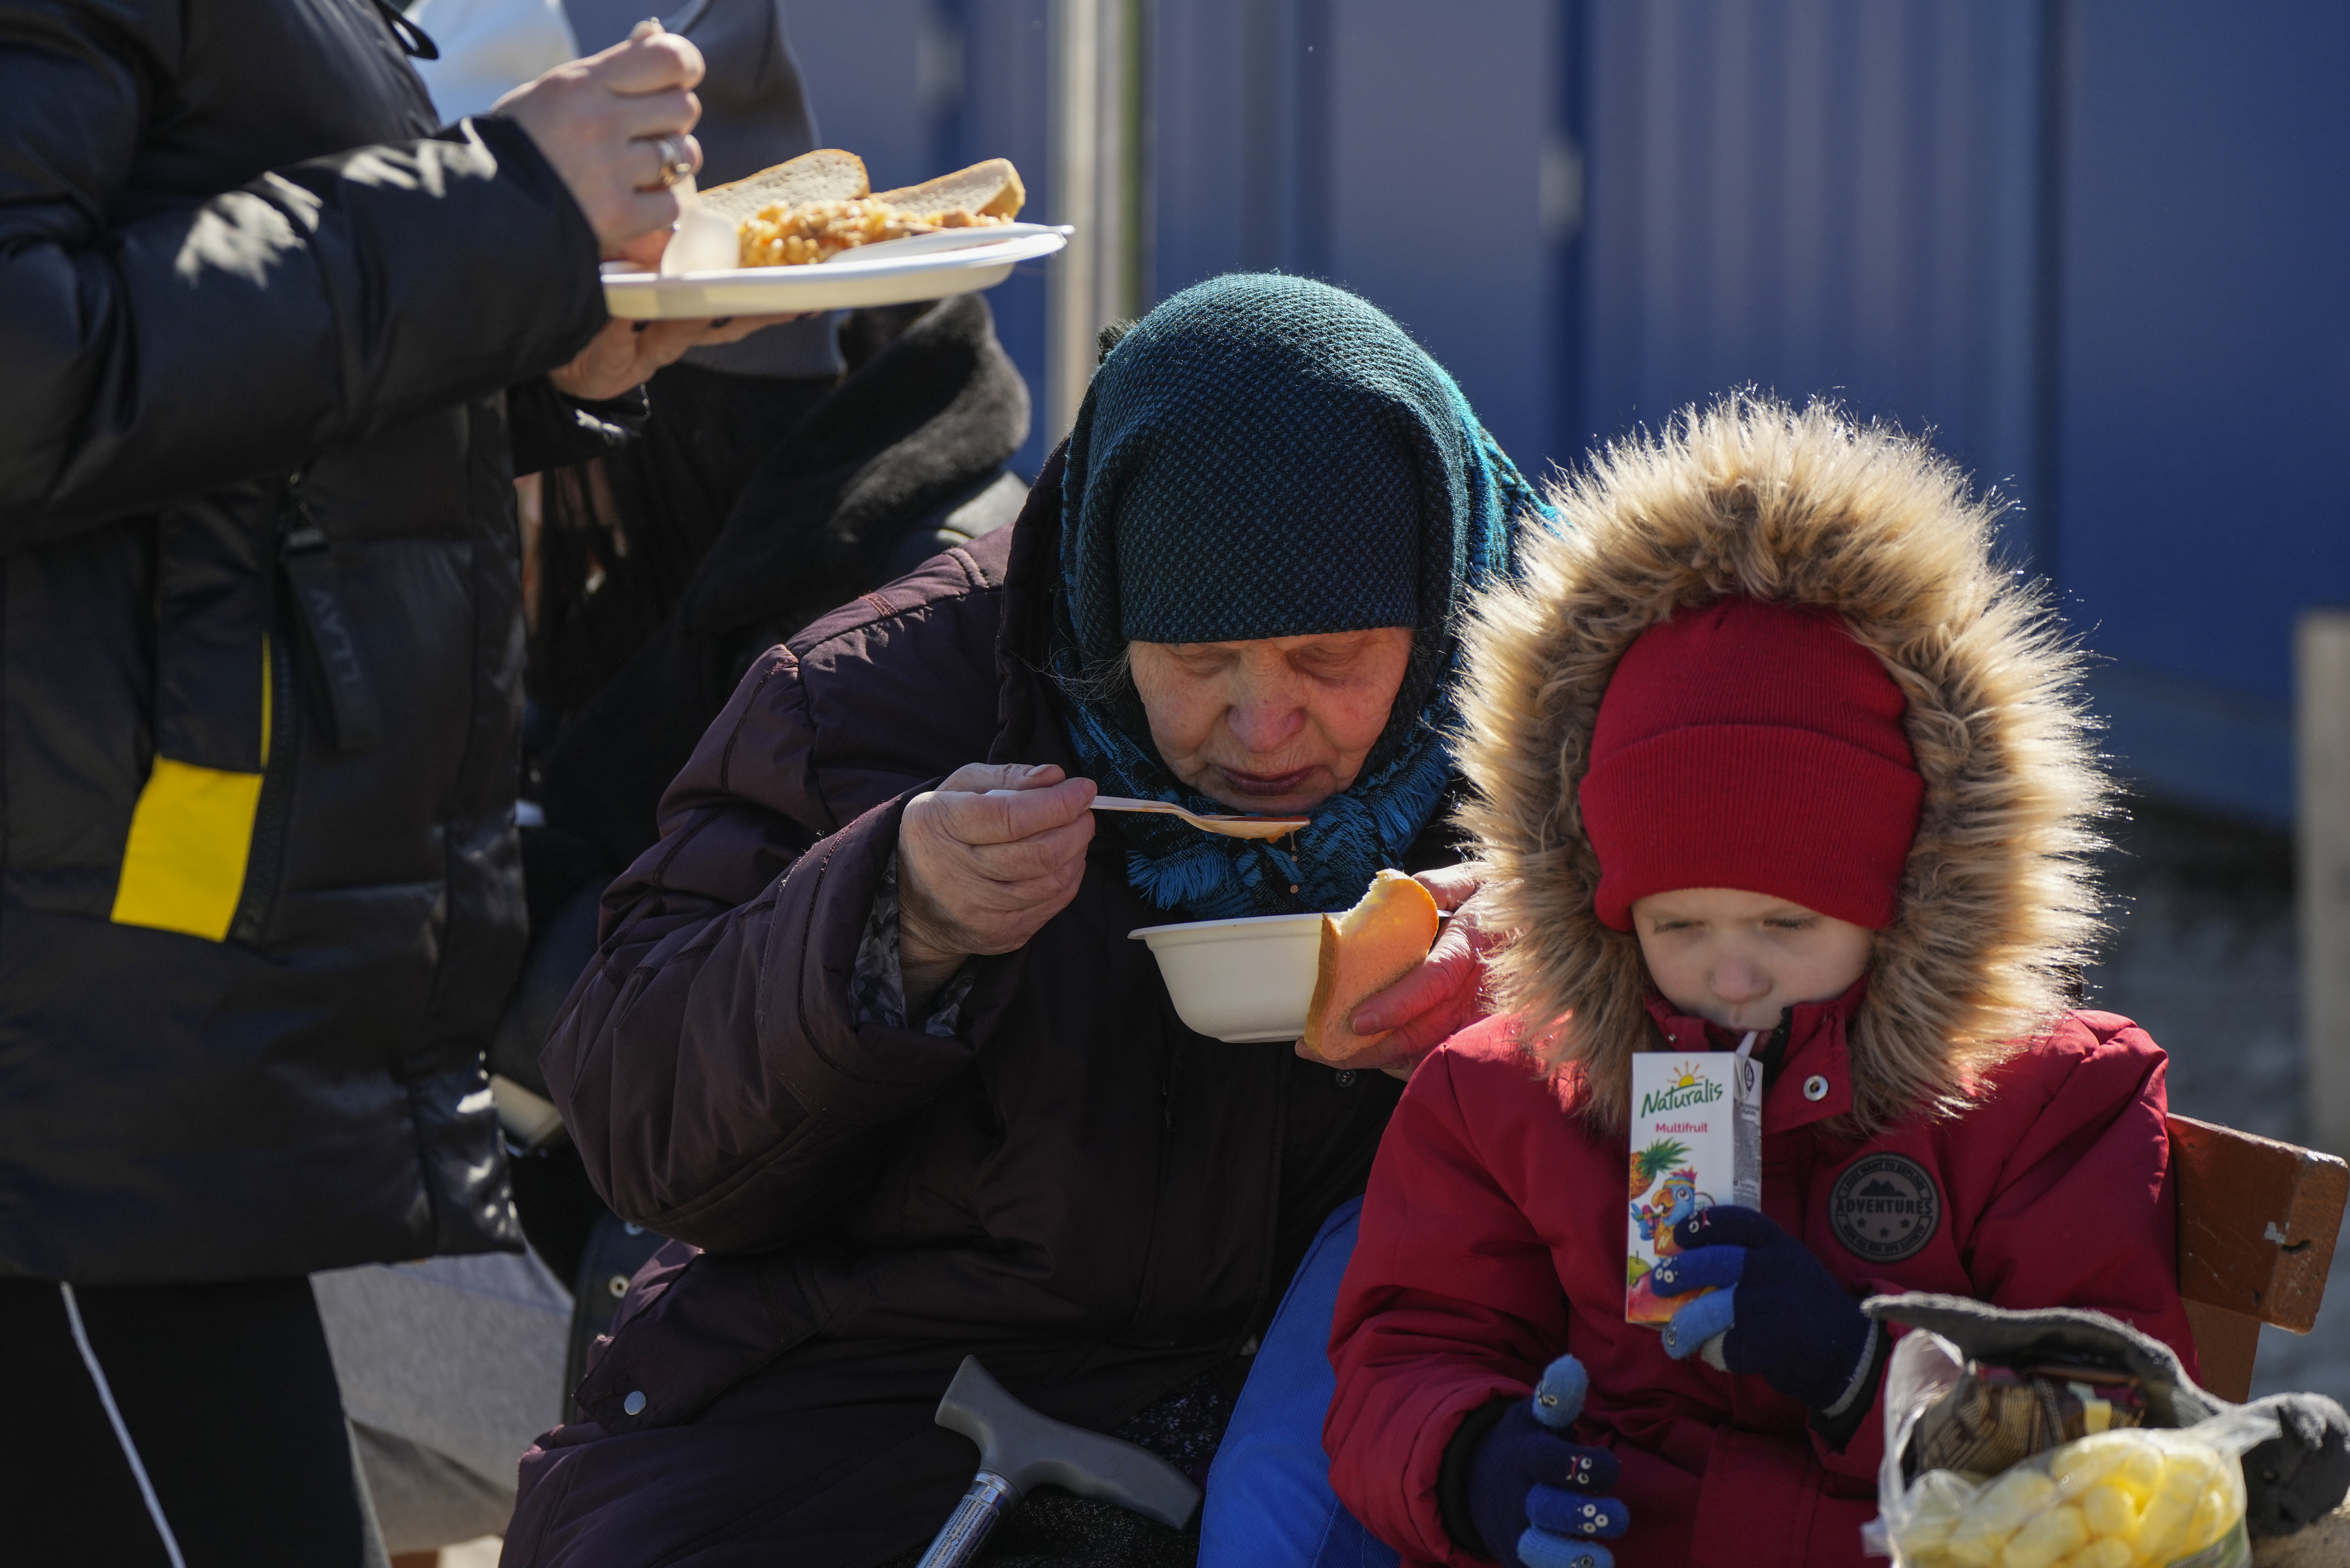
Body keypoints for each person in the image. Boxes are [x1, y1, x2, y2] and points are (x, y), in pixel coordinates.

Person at [501, 273, 1540, 1565]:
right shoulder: (878, 708)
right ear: (1105, 608)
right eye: (1198, 663)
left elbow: (1753, 1048)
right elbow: (640, 1130)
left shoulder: (1547, 725)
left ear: (1437, 609)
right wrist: (890, 919)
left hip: (1392, 1400)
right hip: (886, 1409)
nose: (1263, 727)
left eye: (1331, 664)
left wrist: (1563, 980)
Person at [0, 4, 780, 1562]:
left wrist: (524, 327)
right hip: (80, 1028)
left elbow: (165, 402)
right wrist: (497, 209)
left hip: (162, 996)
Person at [1312, 395, 2206, 1568]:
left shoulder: (2042, 1103)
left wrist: (1858, 1375)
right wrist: (1472, 1462)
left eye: (1787, 922)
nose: (1729, 971)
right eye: (1676, 922)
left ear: (1901, 895)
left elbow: (2118, 1439)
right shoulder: (1511, 1096)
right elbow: (1407, 1351)